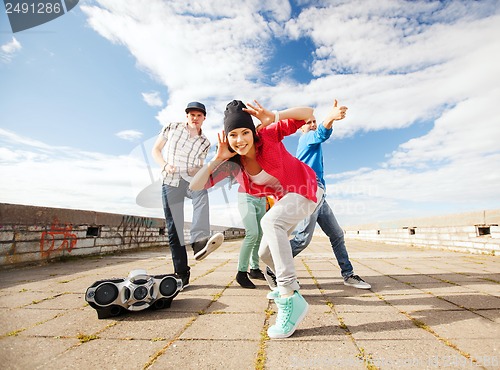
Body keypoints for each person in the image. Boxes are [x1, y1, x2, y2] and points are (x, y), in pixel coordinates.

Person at [190, 99, 323, 339]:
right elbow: (195, 185)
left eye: (244, 132)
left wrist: (275, 115)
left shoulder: (268, 136)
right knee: (264, 254)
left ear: (252, 132)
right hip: (287, 201)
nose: (240, 140)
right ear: (226, 137)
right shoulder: (233, 165)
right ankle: (282, 285)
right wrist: (217, 159)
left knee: (270, 223)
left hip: (307, 188)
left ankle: (289, 296)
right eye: (233, 135)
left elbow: (308, 113)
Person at [289, 100, 371, 289]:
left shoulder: (312, 142)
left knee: (336, 234)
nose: (312, 124)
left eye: (314, 121)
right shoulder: (306, 139)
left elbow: (321, 133)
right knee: (302, 240)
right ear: (301, 128)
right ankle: (273, 266)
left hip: (320, 195)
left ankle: (348, 274)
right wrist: (330, 118)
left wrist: (330, 120)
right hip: (309, 193)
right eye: (308, 122)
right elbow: (321, 134)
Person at [151, 101, 224, 289]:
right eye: (192, 114)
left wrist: (197, 168)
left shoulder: (205, 142)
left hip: (191, 180)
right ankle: (181, 272)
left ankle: (199, 242)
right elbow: (156, 150)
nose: (195, 118)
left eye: (199, 115)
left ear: (204, 118)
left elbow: (201, 165)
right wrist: (165, 165)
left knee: (202, 193)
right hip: (170, 181)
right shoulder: (172, 127)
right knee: (174, 229)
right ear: (187, 116)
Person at [235, 191, 266, 289]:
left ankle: (255, 269)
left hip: (262, 198)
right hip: (247, 196)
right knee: (252, 234)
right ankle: (241, 272)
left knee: (260, 234)